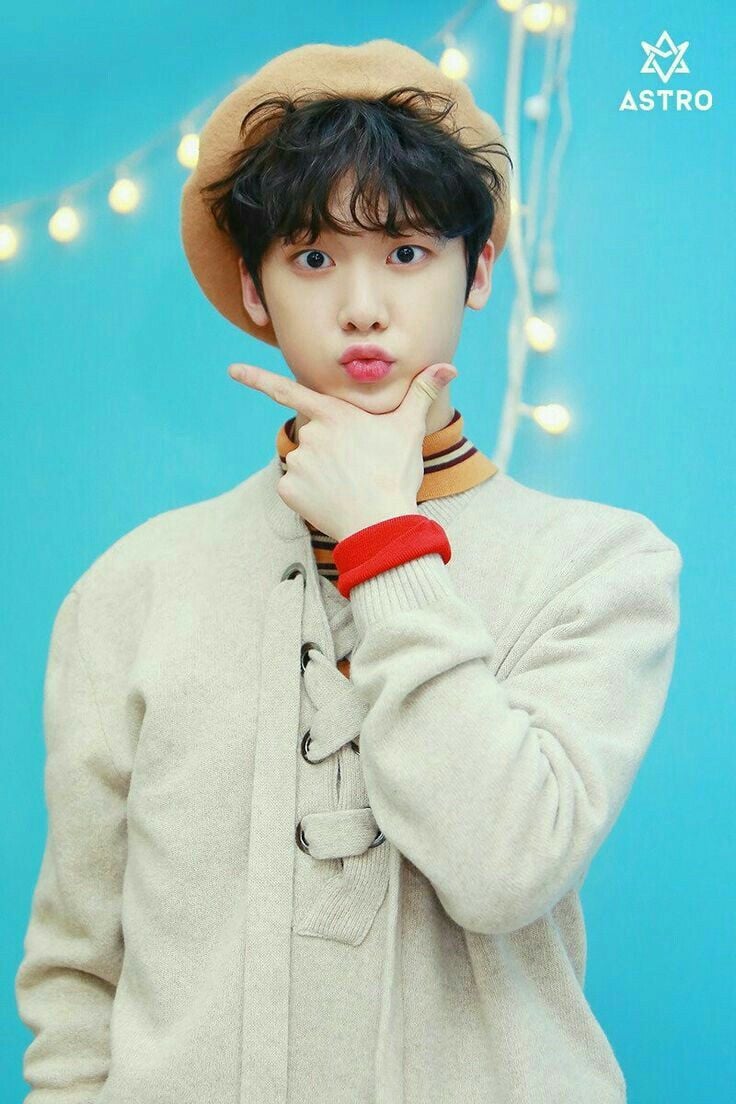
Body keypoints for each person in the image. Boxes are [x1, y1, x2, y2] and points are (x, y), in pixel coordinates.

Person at [15, 38, 682, 1104]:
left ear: (479, 270)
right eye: (314, 259)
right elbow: (76, 973)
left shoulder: (600, 566)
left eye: (408, 251)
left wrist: (381, 535)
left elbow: (505, 867)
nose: (364, 307)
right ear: (254, 287)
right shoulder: (132, 588)